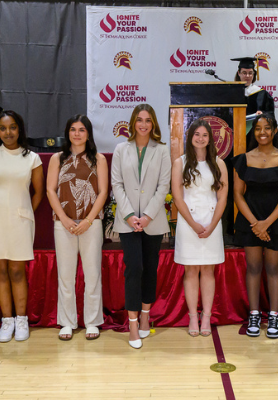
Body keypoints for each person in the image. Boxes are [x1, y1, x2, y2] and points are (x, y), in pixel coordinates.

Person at [0, 110, 44, 343]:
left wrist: (25, 213)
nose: (8, 132)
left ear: (19, 129)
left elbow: (38, 193)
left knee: (17, 271)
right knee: (0, 271)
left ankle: (21, 319)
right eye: (3, 128)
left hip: (20, 220)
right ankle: (7, 321)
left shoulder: (32, 158)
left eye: (12, 127)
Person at [110, 103, 171, 349]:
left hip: (152, 221)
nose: (143, 124)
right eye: (139, 120)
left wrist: (146, 216)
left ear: (153, 124)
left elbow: (163, 186)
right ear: (132, 123)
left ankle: (146, 315)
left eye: (148, 120)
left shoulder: (162, 150)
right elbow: (117, 184)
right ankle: (133, 324)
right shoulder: (120, 149)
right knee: (133, 268)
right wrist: (129, 216)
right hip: (127, 223)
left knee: (150, 269)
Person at [232, 114, 278, 339]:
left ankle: (274, 316)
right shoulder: (242, 159)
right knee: (253, 267)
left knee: (273, 268)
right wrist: (255, 224)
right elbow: (238, 195)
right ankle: (254, 314)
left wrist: (266, 224)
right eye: (258, 128)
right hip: (250, 218)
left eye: (267, 128)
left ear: (275, 131)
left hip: (275, 220)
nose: (262, 132)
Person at [46, 115, 109, 341]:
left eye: (82, 130)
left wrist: (89, 220)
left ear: (88, 133)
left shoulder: (99, 159)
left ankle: (92, 321)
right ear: (67, 132)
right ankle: (67, 322)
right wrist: (63, 218)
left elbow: (102, 192)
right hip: (63, 224)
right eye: (73, 129)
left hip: (90, 223)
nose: (77, 134)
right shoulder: (57, 159)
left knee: (92, 273)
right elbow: (50, 190)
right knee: (66, 274)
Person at [172, 120, 229, 338]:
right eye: (197, 134)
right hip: (189, 223)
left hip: (212, 221)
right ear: (190, 137)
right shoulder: (180, 162)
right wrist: (193, 223)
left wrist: (213, 224)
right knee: (190, 270)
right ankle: (192, 317)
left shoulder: (219, 163)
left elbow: (223, 197)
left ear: (210, 139)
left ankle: (206, 316)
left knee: (208, 270)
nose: (201, 138)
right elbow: (178, 197)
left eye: (205, 135)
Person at [231, 56, 275, 133]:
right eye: (244, 73)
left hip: (256, 135)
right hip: (236, 132)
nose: (247, 76)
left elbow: (271, 115)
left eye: (250, 73)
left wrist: (263, 115)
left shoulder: (262, 94)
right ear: (239, 73)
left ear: (254, 74)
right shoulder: (231, 93)